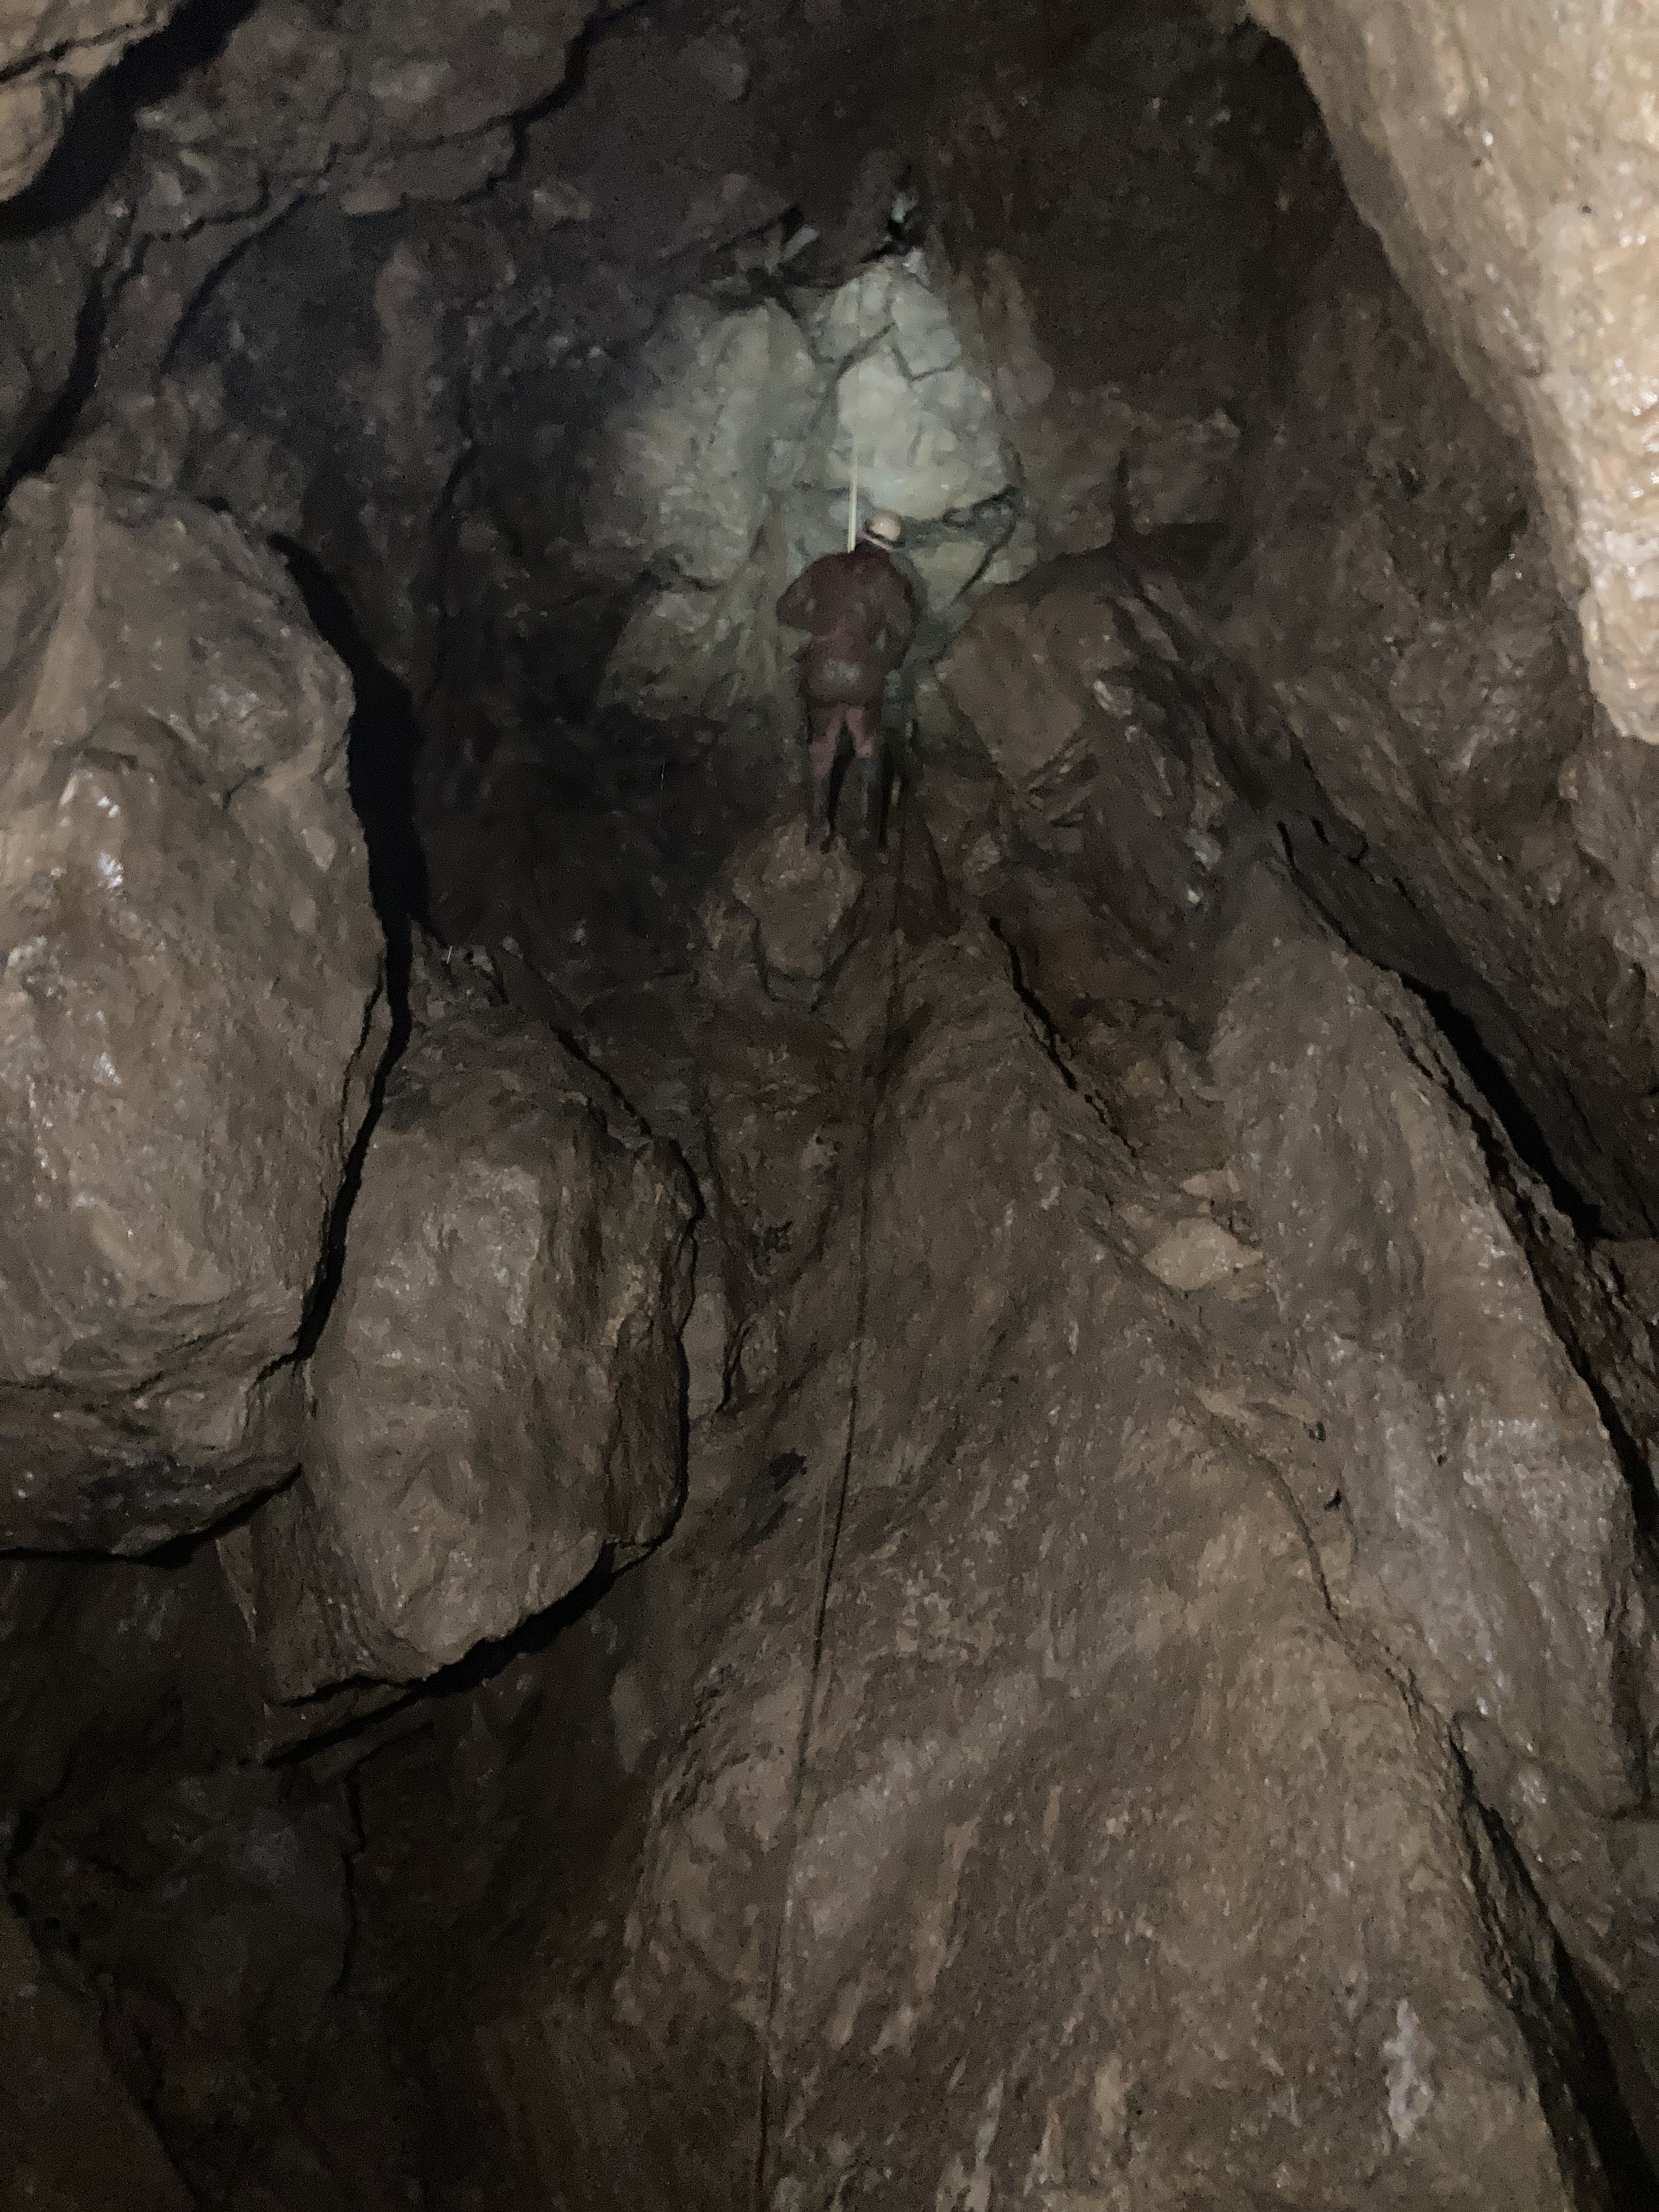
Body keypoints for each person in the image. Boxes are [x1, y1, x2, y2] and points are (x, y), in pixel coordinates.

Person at [776, 510, 917, 850]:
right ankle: (872, 834)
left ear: (862, 534)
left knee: (821, 746)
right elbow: (903, 631)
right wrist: (884, 664)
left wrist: (823, 626)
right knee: (867, 745)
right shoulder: (893, 580)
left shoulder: (825, 566)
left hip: (821, 672)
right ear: (892, 546)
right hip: (863, 676)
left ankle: (816, 831)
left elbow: (786, 610)